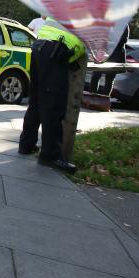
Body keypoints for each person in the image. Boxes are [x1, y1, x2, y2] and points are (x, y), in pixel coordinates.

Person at [17, 17, 86, 173]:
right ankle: (51, 156)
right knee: (53, 105)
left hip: (41, 45)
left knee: (36, 100)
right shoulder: (90, 3)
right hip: (56, 50)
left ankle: (26, 145)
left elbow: (44, 16)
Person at [88, 26, 129, 95]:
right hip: (102, 53)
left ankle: (104, 101)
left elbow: (124, 40)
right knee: (95, 76)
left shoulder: (123, 24)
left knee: (109, 80)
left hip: (115, 55)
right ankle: (92, 98)